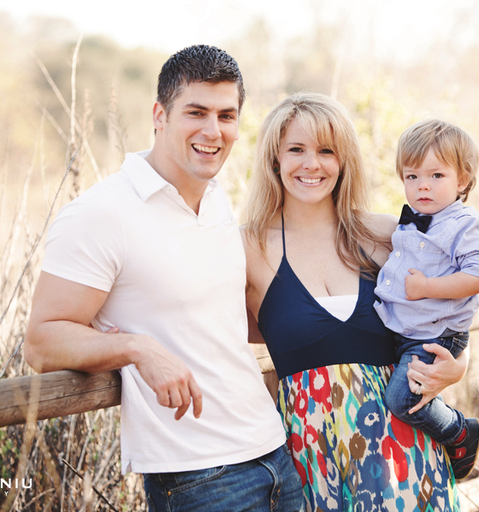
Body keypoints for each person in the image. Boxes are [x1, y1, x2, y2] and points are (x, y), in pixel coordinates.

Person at [25, 45, 305, 512]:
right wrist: (138, 348)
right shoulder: (102, 213)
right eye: (196, 112)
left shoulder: (217, 200)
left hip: (275, 454)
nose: (213, 131)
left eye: (226, 115)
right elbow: (41, 342)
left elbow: (226, 319)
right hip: (199, 478)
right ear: (159, 114)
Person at [243, 93, 468, 512]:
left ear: (344, 160)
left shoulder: (386, 234)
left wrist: (460, 364)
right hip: (313, 456)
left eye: (327, 151)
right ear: (274, 159)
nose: (312, 164)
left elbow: (460, 291)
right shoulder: (248, 246)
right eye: (296, 149)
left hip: (405, 454)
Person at [374, 119, 479, 481]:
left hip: (436, 333)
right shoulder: (411, 219)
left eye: (436, 176)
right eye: (411, 176)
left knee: (401, 400)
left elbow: (478, 277)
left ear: (462, 181)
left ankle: (459, 431)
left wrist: (428, 287)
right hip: (406, 328)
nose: (422, 185)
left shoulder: (466, 224)